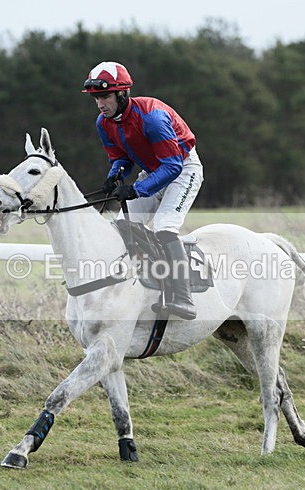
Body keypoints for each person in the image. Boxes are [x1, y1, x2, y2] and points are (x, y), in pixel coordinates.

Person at [83, 61, 203, 320]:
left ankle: (183, 297)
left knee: (164, 226)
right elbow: (121, 158)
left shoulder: (152, 117)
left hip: (183, 169)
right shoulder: (104, 123)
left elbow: (172, 167)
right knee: (119, 227)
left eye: (105, 96)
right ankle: (134, 288)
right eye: (96, 98)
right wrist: (114, 177)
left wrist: (137, 189)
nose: (100, 104)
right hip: (153, 170)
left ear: (122, 93)